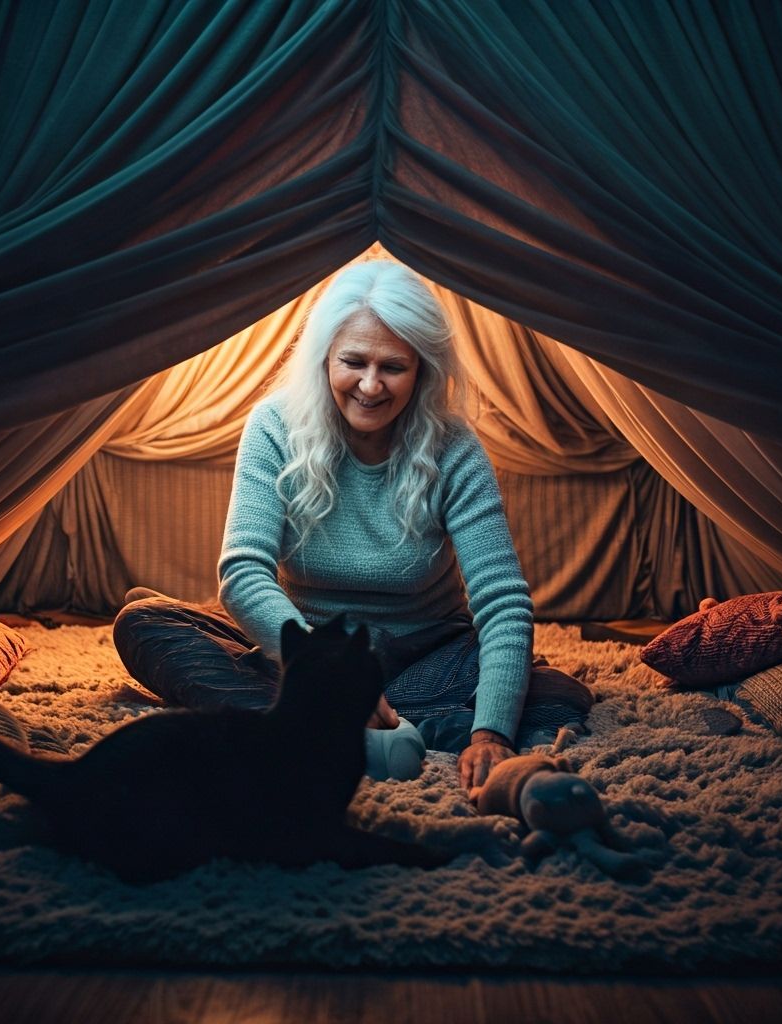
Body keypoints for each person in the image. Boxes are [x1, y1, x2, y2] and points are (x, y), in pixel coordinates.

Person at [113, 260, 588, 798]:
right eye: (353, 361)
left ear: (423, 369)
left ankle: (316, 727)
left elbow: (502, 602)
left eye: (393, 367)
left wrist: (491, 731)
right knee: (145, 622)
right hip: (305, 650)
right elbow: (244, 573)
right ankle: (391, 724)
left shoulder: (455, 447)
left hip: (423, 651)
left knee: (548, 691)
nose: (370, 385)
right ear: (323, 360)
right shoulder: (274, 425)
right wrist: (330, 682)